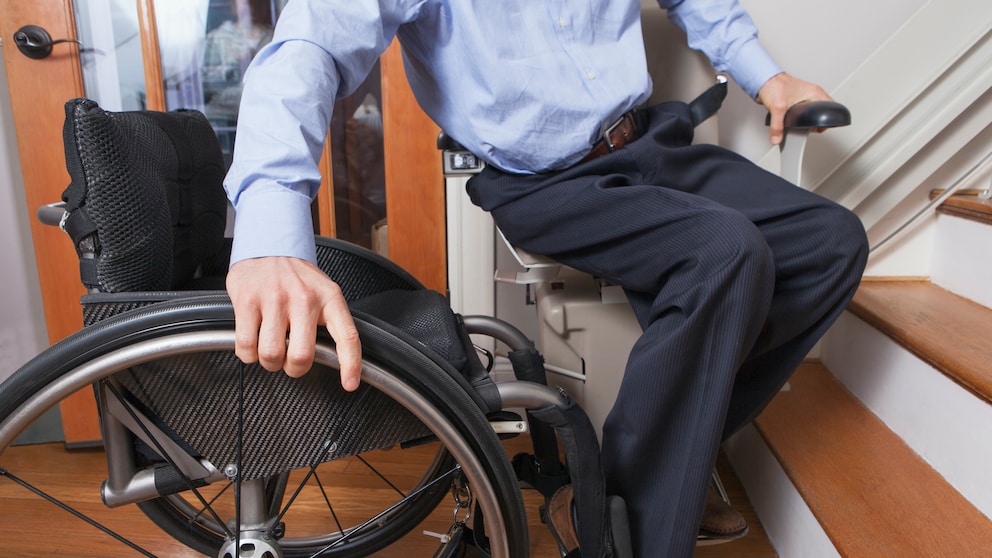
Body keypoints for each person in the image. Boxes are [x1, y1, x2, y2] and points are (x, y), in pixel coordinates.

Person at [223, 1, 869, 556]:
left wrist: (768, 76)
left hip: (647, 142)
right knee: (730, 253)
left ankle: (628, 483)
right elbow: (309, 45)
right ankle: (631, 522)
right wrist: (271, 222)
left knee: (831, 244)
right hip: (541, 182)